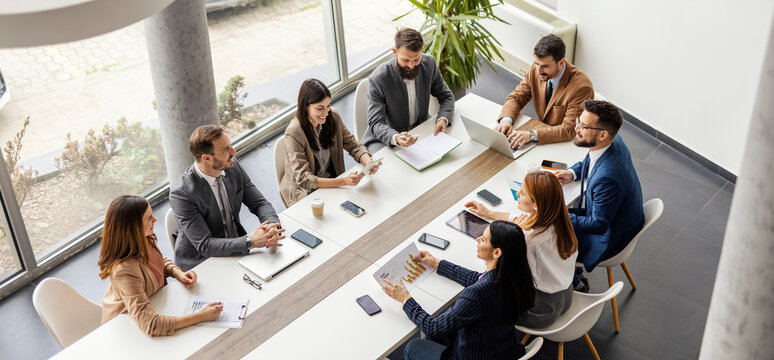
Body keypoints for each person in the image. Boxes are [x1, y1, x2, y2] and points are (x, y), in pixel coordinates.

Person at [381, 221, 535, 360]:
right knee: (447, 317)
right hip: (504, 349)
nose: (477, 239)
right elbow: (477, 278)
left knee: (414, 346)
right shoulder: (517, 277)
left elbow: (432, 328)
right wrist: (436, 263)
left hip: (474, 355)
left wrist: (405, 299)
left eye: (483, 239)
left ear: (496, 253)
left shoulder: (477, 293)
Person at [466, 171, 578, 328]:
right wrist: (490, 213)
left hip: (539, 311)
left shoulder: (529, 239)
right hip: (565, 296)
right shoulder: (560, 222)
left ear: (536, 205)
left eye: (523, 193)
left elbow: (506, 272)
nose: (517, 193)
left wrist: (513, 236)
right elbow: (522, 220)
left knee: (484, 295)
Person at [554, 99, 644, 292]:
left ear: (603, 134)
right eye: (579, 121)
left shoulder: (608, 178)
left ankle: (573, 281)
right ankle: (572, 272)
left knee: (544, 237)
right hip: (621, 217)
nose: (576, 127)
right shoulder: (612, 140)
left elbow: (598, 225)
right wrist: (573, 173)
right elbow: (591, 157)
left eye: (583, 126)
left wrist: (558, 215)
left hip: (610, 237)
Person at [99, 195, 222, 336]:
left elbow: (159, 261)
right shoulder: (124, 271)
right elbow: (151, 325)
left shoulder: (144, 238)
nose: (155, 220)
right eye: (148, 218)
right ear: (133, 228)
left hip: (154, 305)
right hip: (127, 329)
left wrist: (178, 273)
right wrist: (201, 316)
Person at [170, 125, 285, 271]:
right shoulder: (181, 194)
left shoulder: (232, 166)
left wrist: (273, 228)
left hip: (236, 248)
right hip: (203, 263)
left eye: (230, 146)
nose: (233, 152)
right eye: (225, 149)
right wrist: (251, 242)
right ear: (206, 158)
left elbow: (260, 204)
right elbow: (206, 245)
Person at [280, 78, 381, 206]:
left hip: (332, 184)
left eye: (328, 105)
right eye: (320, 108)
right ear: (305, 106)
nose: (325, 112)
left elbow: (352, 145)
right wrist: (344, 181)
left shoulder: (332, 116)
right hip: (306, 192)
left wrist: (368, 162)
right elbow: (304, 179)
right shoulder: (294, 132)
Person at [361, 27, 455, 153]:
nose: (411, 66)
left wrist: (443, 118)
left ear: (422, 50)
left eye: (416, 59)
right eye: (405, 60)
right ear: (395, 52)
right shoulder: (379, 78)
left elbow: (446, 96)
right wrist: (396, 138)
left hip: (420, 131)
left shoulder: (429, 64)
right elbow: (376, 122)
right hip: (386, 138)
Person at [494, 34, 594, 149]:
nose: (539, 70)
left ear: (561, 62)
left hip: (565, 144)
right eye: (536, 64)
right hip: (543, 135)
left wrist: (532, 135)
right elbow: (517, 97)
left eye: (545, 66)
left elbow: (569, 129)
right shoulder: (536, 69)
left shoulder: (581, 87)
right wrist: (506, 120)